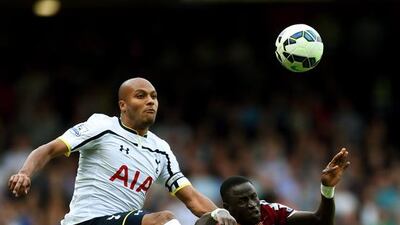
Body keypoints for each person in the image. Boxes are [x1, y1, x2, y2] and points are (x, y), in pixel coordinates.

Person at [8, 77, 237, 225]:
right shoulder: (102, 127)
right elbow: (48, 149)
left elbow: (192, 198)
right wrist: (25, 173)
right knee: (164, 220)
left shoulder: (161, 150)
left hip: (123, 222)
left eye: (154, 97)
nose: (151, 101)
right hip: (87, 221)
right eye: (141, 96)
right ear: (122, 105)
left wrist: (219, 214)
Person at [195, 148, 350, 225]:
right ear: (228, 207)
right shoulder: (222, 220)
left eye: (253, 197)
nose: (252, 205)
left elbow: (321, 220)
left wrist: (327, 188)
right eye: (243, 201)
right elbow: (200, 223)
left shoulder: (269, 212)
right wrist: (216, 213)